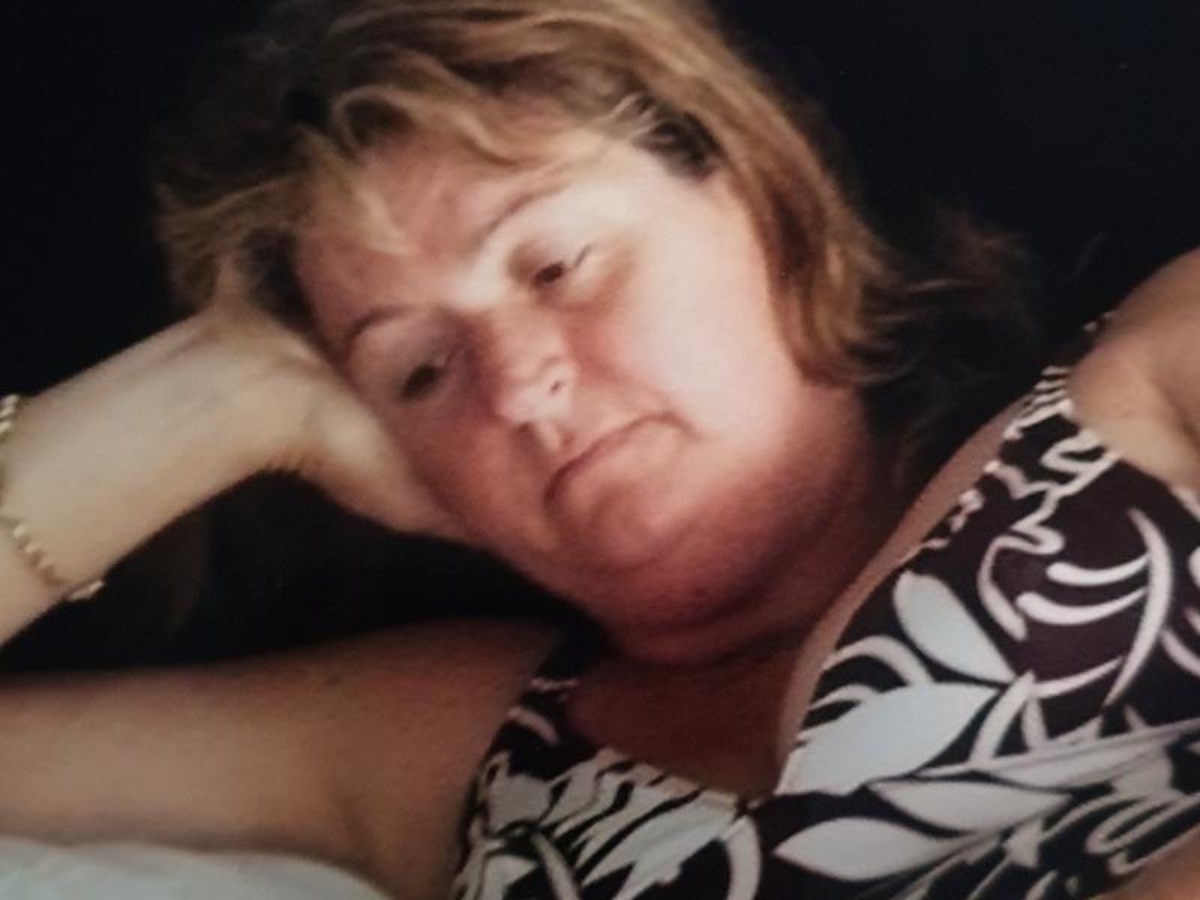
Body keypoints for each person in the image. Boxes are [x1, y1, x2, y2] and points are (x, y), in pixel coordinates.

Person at [0, 0, 1197, 897]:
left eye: (555, 265)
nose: (520, 387)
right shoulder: (441, 744)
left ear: (766, 198)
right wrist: (214, 400)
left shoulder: (1139, 385)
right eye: (421, 371)